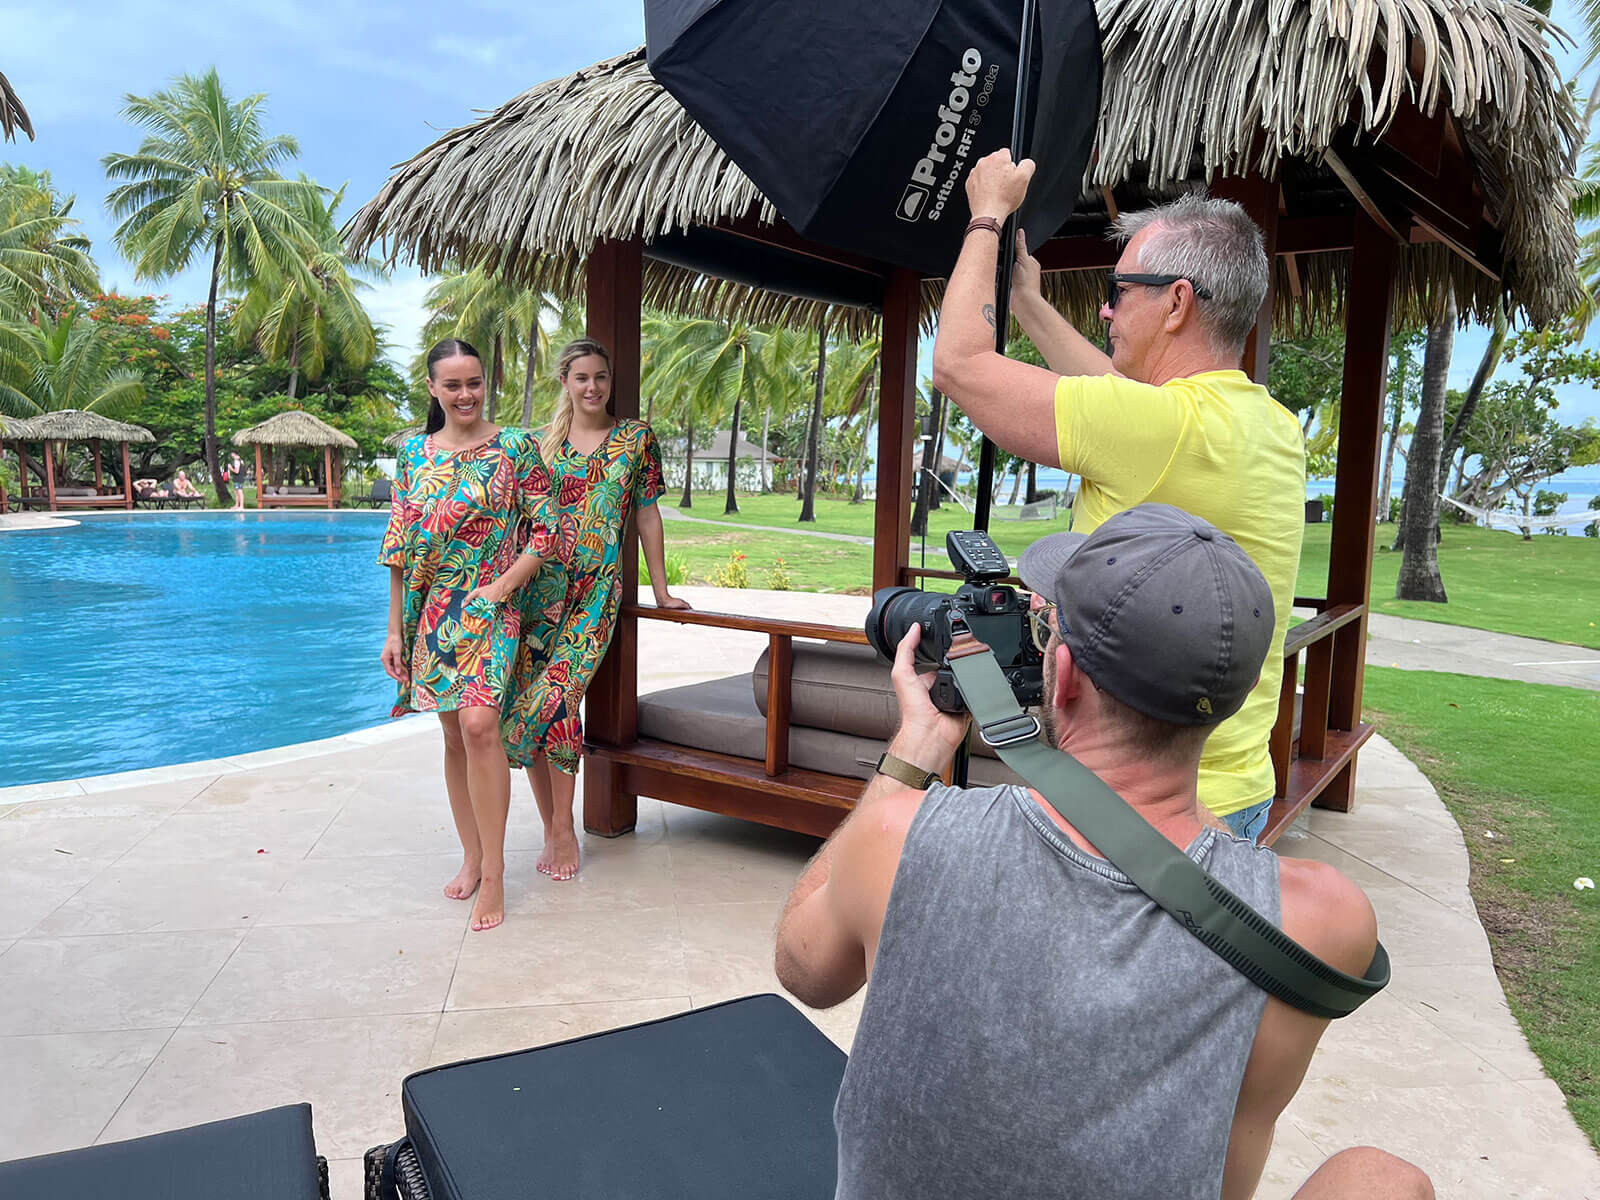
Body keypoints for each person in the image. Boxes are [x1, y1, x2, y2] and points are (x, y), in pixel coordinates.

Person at [774, 504, 1430, 1200]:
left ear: (1061, 676)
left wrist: (917, 748)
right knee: (1386, 1180)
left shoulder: (902, 834)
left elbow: (805, 970)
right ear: (1233, 700)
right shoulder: (1321, 922)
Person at [929, 150, 1306, 844]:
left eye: (1120, 289)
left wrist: (985, 217)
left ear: (1177, 303)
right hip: (1232, 786)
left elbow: (958, 365)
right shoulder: (1267, 424)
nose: (1106, 308)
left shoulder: (1157, 429)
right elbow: (1116, 394)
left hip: (1136, 805)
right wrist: (1029, 304)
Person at [379, 338, 556, 931]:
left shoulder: (516, 447)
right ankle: (472, 856)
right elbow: (400, 546)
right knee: (454, 735)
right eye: (452, 385)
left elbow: (547, 533)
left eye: (474, 382)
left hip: (492, 603)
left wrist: (501, 588)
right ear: (432, 388)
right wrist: (394, 631)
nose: (465, 394)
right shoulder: (413, 454)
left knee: (481, 725)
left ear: (486, 383)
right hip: (433, 612)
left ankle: (496, 873)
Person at [502, 338, 691, 882]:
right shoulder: (540, 445)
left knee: (557, 701)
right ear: (565, 381)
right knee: (526, 708)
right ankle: (551, 825)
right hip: (538, 594)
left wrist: (660, 590)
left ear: (610, 381)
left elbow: (647, 516)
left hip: (596, 595)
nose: (592, 387)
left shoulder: (635, 439)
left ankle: (564, 825)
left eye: (601, 377)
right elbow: (519, 522)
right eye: (582, 377)